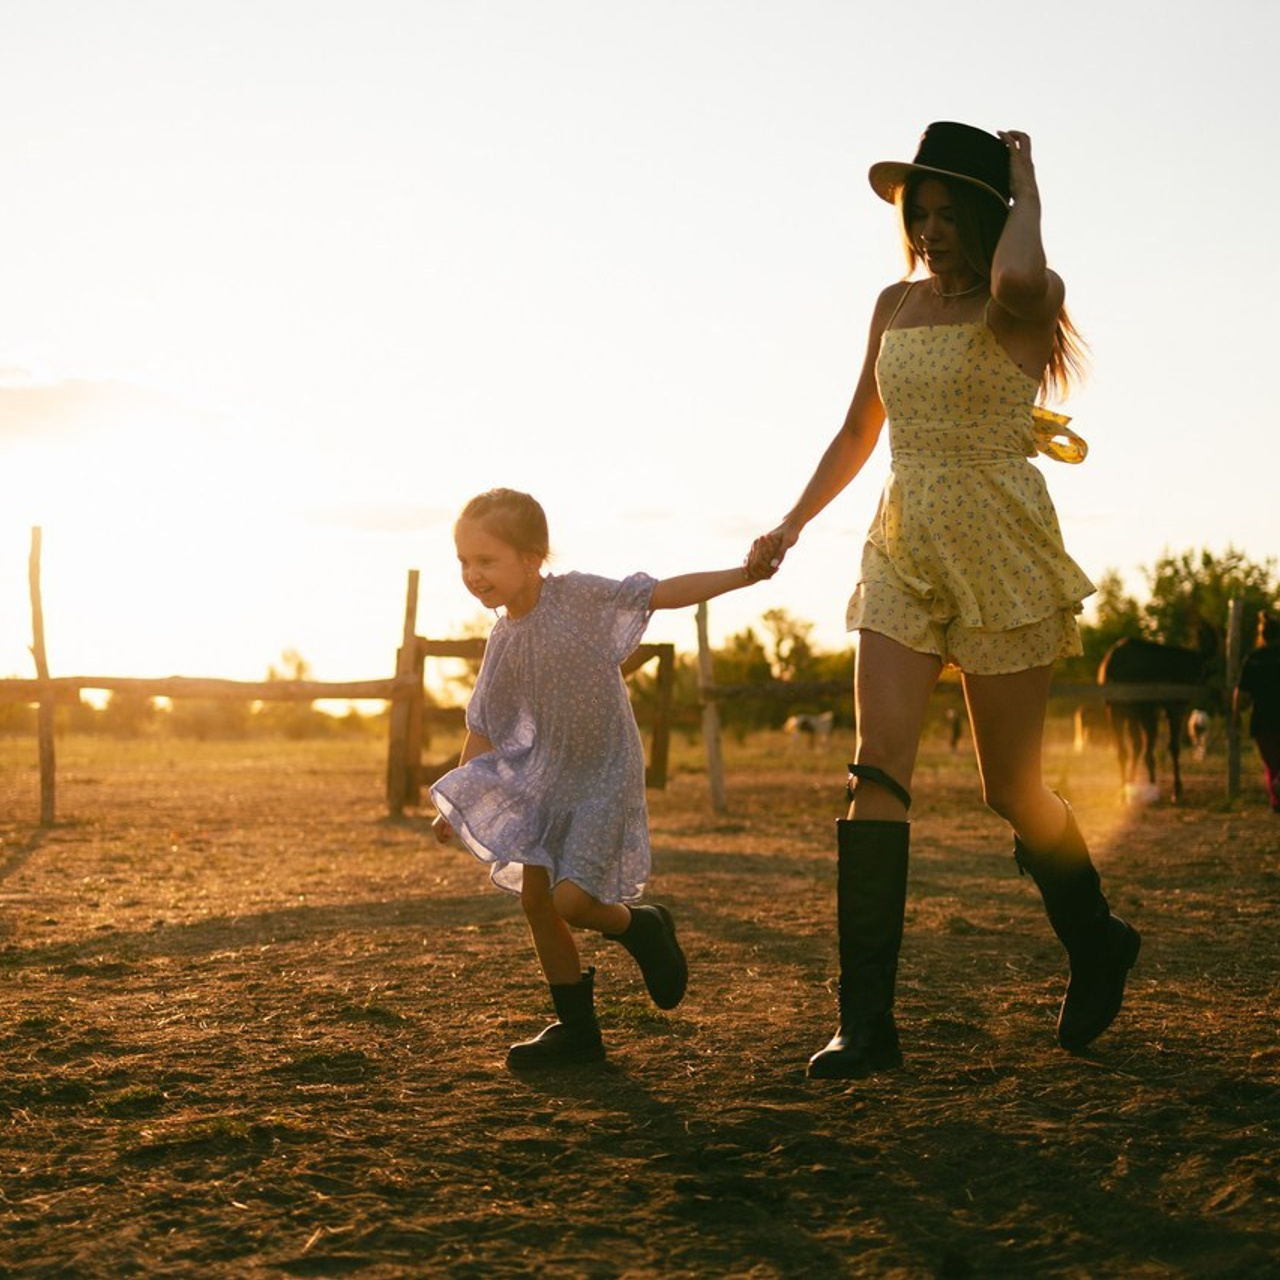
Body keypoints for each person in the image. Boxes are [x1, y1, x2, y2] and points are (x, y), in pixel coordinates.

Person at [747, 122, 1141, 1079]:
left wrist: (1029, 187)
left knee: (1011, 789)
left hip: (1000, 544)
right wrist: (792, 523)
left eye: (947, 213)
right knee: (875, 769)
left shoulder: (1025, 296)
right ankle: (865, 1024)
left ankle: (1095, 938)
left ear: (988, 215)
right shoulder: (894, 304)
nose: (928, 230)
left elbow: (1017, 277)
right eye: (916, 213)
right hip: (903, 545)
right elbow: (857, 430)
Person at [431, 487, 773, 1069]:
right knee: (537, 903)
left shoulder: (577, 597)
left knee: (572, 901)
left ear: (531, 558)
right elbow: (483, 725)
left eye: (485, 559)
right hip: (543, 782)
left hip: (602, 773)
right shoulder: (503, 638)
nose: (472, 574)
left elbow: (659, 593)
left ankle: (641, 927)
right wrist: (458, 803)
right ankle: (578, 1033)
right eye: (464, 560)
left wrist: (744, 574)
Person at [1235, 612, 1280, 813]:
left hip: (1263, 722)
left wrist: (1236, 714)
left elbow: (1242, 698)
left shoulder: (1254, 659)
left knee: (1272, 766)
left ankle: (1276, 802)